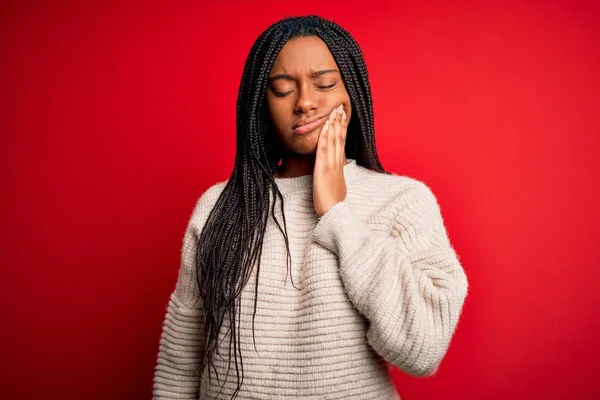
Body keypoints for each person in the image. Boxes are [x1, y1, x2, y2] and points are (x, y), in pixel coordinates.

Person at [152, 15, 469, 400]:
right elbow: (180, 360)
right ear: (261, 105)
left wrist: (338, 213)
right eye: (283, 90)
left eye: (324, 84)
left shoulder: (402, 201)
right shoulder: (218, 207)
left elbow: (423, 349)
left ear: (351, 91)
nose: (304, 102)